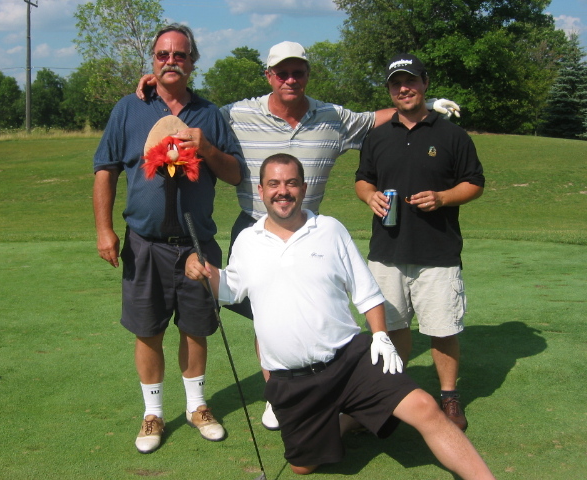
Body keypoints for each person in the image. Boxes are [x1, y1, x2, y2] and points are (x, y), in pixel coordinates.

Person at [136, 41, 460, 430]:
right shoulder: (236, 114)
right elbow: (194, 110)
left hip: (309, 230)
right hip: (254, 229)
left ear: (307, 75)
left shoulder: (332, 116)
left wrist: (426, 106)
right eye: (281, 73)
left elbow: (373, 119)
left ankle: (320, 385)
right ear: (269, 76)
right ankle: (277, 395)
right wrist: (162, 84)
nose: (290, 79)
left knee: (309, 313)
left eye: (298, 72)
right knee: (266, 318)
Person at [185, 154, 494, 478]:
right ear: (261, 191)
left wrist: (380, 336)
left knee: (425, 408)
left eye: (291, 183)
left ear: (304, 188)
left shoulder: (330, 230)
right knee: (302, 466)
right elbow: (229, 290)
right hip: (292, 380)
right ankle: (349, 417)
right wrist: (200, 267)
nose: (283, 191)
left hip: (350, 360)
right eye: (274, 184)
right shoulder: (248, 240)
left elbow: (367, 292)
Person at [93, 23, 243, 454]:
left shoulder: (209, 114)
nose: (171, 60)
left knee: (195, 329)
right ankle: (153, 413)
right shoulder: (129, 108)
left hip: (197, 244)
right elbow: (105, 169)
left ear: (193, 61)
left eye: (180, 54)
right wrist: (104, 229)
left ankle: (197, 406)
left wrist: (207, 147)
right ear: (153, 61)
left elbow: (235, 174)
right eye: (163, 54)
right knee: (148, 330)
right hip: (145, 242)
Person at [355, 53, 485, 431]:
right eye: (396, 83)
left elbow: (474, 183)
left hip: (437, 251)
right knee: (391, 329)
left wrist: (443, 198)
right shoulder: (377, 137)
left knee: (442, 330)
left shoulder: (452, 135)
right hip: (387, 252)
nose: (404, 88)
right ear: (389, 90)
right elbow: (363, 179)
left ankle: (449, 397)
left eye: (410, 81)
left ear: (425, 83)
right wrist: (369, 196)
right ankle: (392, 395)